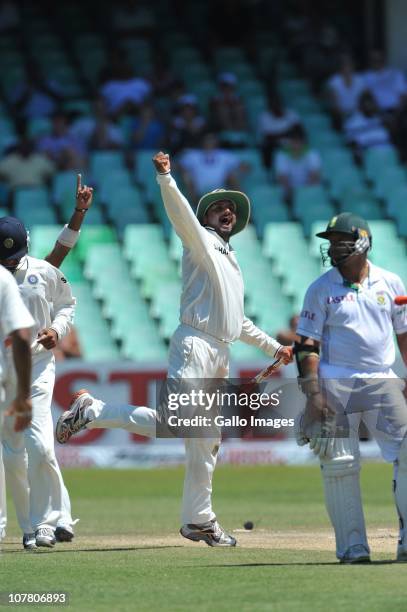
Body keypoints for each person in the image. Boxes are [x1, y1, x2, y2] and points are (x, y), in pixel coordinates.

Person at [56, 151, 293, 547]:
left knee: (207, 438)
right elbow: (180, 213)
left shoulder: (229, 256)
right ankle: (93, 410)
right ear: (206, 219)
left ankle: (199, 519)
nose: (226, 212)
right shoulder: (200, 240)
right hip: (196, 343)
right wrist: (167, 178)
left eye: (230, 209)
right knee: (182, 425)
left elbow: (238, 321)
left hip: (218, 349)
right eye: (218, 208)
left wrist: (274, 347)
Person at [294, 212, 407, 563]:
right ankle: (352, 547)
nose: (333, 247)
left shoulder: (391, 283)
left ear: (362, 242)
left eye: (340, 240)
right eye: (329, 241)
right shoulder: (320, 289)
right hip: (335, 381)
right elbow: (306, 346)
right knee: (340, 463)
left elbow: (404, 336)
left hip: (382, 377)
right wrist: (314, 395)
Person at [0, 175, 93, 550]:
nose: (9, 264)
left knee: (40, 445)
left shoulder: (40, 270)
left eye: (13, 258)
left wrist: (56, 329)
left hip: (36, 366)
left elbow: (63, 283)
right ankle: (27, 526)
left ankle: (51, 521)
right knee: (12, 455)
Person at [0, 265, 34, 544]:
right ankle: (30, 529)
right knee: (13, 451)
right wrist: (23, 394)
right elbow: (22, 337)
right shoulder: (2, 278)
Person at [274, 125, 321, 198]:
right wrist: (292, 194)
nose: (296, 144)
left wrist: (304, 194)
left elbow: (315, 176)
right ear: (289, 141)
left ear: (303, 141)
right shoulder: (281, 155)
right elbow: (282, 178)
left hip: (309, 191)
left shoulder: (312, 153)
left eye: (298, 141)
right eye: (293, 141)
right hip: (289, 193)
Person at [257, 91, 300, 168]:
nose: (276, 105)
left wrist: (279, 134)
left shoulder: (291, 113)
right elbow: (268, 136)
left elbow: (299, 130)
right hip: (274, 144)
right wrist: (287, 132)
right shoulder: (264, 116)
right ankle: (269, 172)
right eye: (274, 103)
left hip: (292, 142)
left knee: (302, 145)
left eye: (278, 102)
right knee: (266, 147)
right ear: (270, 105)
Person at [363, 50, 407, 114]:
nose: (377, 62)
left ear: (384, 59)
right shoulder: (366, 77)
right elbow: (365, 98)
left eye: (379, 59)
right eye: (374, 60)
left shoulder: (396, 74)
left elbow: (404, 96)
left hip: (397, 112)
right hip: (376, 113)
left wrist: (398, 114)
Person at [327, 54, 365, 127]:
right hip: (341, 116)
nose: (347, 67)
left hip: (358, 115)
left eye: (349, 65)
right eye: (345, 65)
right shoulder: (334, 81)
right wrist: (345, 115)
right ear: (341, 67)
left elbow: (364, 100)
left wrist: (358, 115)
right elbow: (334, 104)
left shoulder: (360, 80)